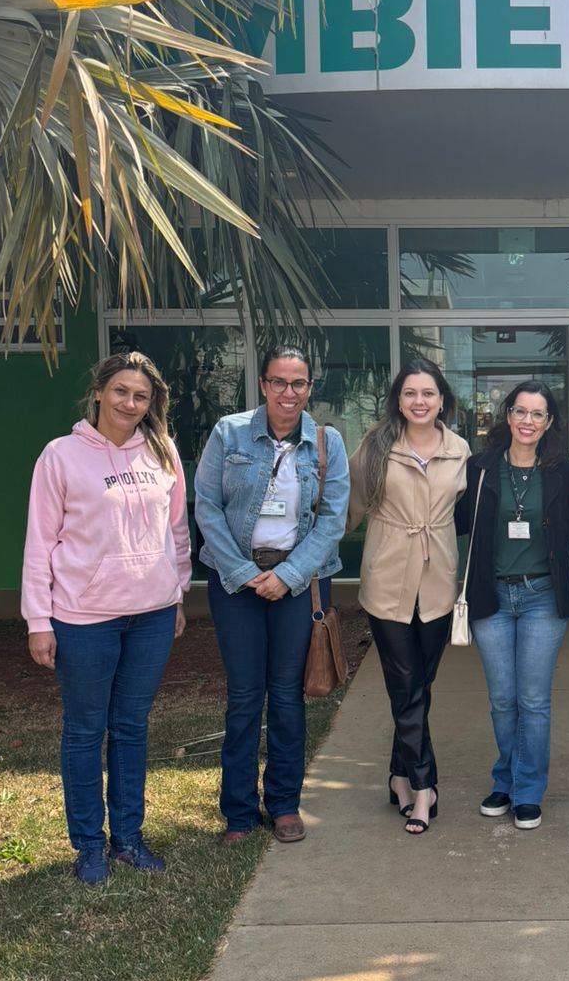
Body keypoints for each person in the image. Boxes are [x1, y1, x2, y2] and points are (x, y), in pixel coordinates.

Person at [22, 352, 191, 884]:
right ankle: (89, 845)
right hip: (83, 618)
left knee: (131, 729)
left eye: (141, 396)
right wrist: (38, 620)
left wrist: (177, 592)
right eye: (121, 391)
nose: (130, 403)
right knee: (84, 731)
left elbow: (177, 533)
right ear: (98, 391)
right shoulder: (61, 456)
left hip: (153, 616)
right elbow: (39, 544)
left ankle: (129, 839)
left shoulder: (162, 453)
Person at [195, 344, 349, 845]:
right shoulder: (229, 432)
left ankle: (284, 804)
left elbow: (332, 522)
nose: (289, 392)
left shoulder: (328, 443)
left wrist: (290, 575)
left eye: (299, 383)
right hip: (235, 582)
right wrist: (242, 572)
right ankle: (238, 813)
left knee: (286, 695)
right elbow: (207, 507)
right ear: (263, 384)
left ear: (310, 388)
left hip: (300, 585)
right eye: (279, 382)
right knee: (243, 697)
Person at [458, 380, 569, 829]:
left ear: (549, 422)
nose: (527, 421)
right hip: (492, 596)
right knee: (502, 699)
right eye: (520, 411)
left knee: (532, 700)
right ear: (507, 415)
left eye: (538, 414)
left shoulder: (561, 471)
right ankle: (506, 779)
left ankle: (527, 790)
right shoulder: (480, 468)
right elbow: (453, 519)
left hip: (541, 597)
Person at [348, 359, 469, 834]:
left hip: (438, 576)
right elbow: (348, 506)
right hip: (387, 576)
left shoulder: (459, 450)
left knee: (419, 685)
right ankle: (423, 788)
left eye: (429, 393)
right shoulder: (376, 446)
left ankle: (398, 775)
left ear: (442, 400)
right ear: (398, 399)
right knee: (406, 683)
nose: (420, 401)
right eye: (410, 393)